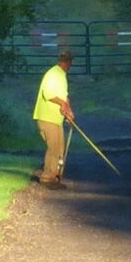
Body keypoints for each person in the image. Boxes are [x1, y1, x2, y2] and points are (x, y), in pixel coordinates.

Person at [34, 49, 75, 188]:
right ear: (65, 62)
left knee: (59, 149)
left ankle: (56, 177)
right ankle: (47, 178)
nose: (67, 64)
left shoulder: (61, 76)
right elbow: (49, 94)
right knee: (54, 148)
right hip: (47, 117)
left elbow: (64, 96)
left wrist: (68, 110)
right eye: (66, 61)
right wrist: (63, 104)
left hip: (56, 119)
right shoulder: (53, 74)